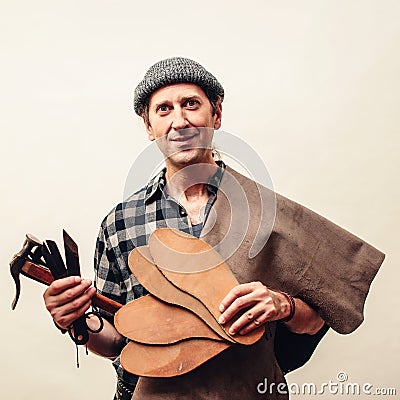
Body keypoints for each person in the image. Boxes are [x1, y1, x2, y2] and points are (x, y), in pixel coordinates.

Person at [43, 57, 384, 399]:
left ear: (216, 114)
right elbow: (117, 340)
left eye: (191, 104)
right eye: (163, 109)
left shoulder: (268, 214)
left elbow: (315, 322)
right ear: (149, 127)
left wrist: (283, 305)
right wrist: (75, 323)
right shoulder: (119, 224)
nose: (180, 121)